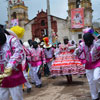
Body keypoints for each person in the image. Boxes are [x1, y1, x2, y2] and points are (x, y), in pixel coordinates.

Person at [0, 25, 26, 100]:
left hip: (14, 75)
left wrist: (9, 66)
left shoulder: (12, 40)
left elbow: (19, 53)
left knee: (17, 97)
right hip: (1, 77)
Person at [75, 28, 100, 100]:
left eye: (89, 41)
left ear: (92, 39)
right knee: (91, 82)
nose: (88, 42)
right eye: (86, 41)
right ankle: (94, 97)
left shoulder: (96, 43)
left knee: (96, 78)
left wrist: (95, 35)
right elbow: (78, 52)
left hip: (97, 63)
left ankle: (99, 90)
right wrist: (76, 51)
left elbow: (98, 44)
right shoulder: (82, 45)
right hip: (88, 64)